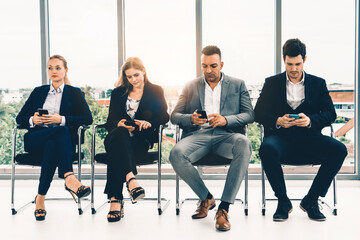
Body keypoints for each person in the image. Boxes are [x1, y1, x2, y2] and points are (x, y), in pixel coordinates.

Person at [254, 38, 348, 222]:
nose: (294, 69)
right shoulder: (272, 83)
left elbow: (331, 114)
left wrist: (310, 120)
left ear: (304, 60)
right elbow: (258, 113)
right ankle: (283, 201)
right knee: (266, 148)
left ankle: (311, 200)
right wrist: (278, 121)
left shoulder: (318, 83)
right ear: (284, 60)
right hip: (280, 139)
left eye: (297, 64)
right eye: (290, 64)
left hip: (310, 138)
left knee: (339, 150)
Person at [169, 45, 254, 231]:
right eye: (204, 66)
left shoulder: (238, 84)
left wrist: (226, 120)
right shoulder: (190, 85)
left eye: (213, 66)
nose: (208, 70)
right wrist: (190, 118)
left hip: (227, 136)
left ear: (221, 64)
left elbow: (250, 115)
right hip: (198, 135)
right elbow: (174, 116)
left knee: (244, 143)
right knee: (175, 154)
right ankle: (206, 198)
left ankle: (223, 209)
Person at [16, 55, 93, 221]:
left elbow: (88, 119)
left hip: (59, 144)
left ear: (66, 70)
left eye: (58, 68)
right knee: (61, 132)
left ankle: (40, 199)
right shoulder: (39, 91)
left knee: (54, 141)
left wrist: (62, 119)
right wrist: (33, 120)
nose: (54, 71)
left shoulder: (74, 93)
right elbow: (20, 118)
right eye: (50, 68)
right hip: (36, 138)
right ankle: (70, 178)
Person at [103, 57, 169, 223]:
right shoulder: (118, 93)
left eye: (136, 75)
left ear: (144, 72)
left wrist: (150, 122)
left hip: (140, 140)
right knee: (119, 134)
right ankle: (131, 180)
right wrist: (119, 123)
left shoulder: (155, 90)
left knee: (115, 155)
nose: (133, 80)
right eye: (129, 77)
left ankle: (115, 201)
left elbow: (164, 116)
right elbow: (110, 121)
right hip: (118, 136)